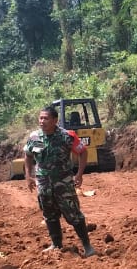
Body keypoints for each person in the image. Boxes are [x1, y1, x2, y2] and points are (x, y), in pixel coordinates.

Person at [24, 106, 96, 257]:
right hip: (44, 184)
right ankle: (56, 244)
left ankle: (87, 246)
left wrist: (79, 174)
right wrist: (28, 176)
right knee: (49, 215)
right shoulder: (35, 137)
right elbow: (29, 155)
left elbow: (82, 152)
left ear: (55, 120)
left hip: (63, 184)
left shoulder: (66, 136)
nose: (42, 121)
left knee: (74, 214)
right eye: (40, 118)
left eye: (46, 118)